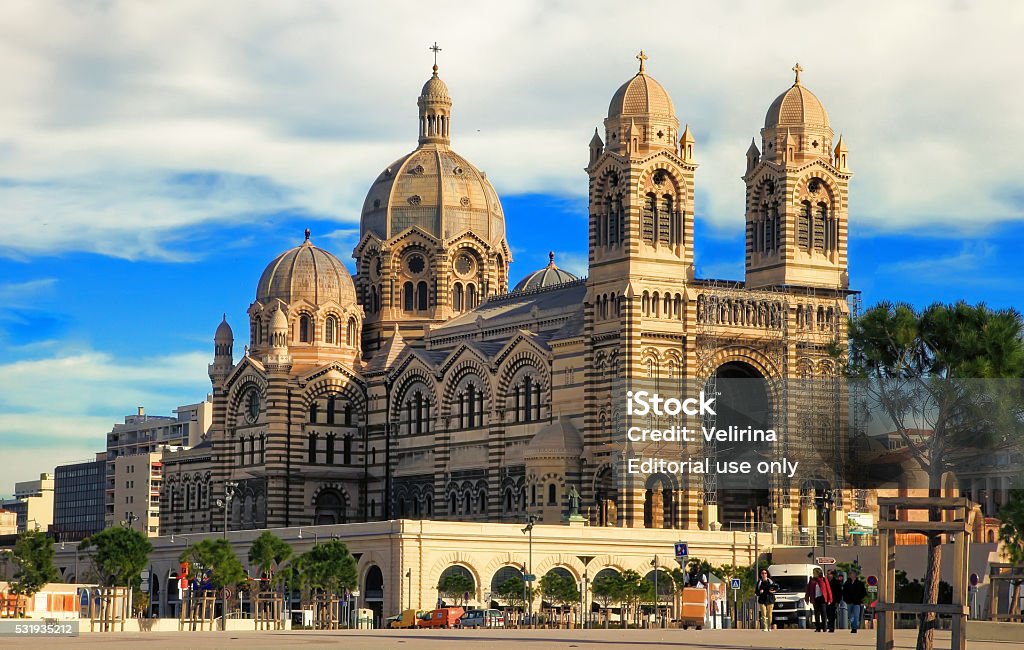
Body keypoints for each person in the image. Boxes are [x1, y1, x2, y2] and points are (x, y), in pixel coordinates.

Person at [805, 567, 832, 632]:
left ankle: (824, 628)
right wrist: (807, 598)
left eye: (814, 572)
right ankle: (818, 628)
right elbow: (808, 590)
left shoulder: (823, 579)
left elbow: (828, 590)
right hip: (815, 598)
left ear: (818, 573)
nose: (813, 574)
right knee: (816, 613)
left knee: (823, 613)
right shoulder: (812, 580)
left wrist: (830, 599)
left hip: (822, 598)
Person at [842, 569, 868, 634]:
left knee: (856, 615)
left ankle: (854, 628)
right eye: (850, 574)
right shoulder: (847, 583)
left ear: (855, 575)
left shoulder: (859, 583)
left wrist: (860, 599)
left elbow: (864, 592)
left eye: (852, 573)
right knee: (851, 616)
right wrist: (846, 599)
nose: (850, 575)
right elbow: (844, 592)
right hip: (849, 602)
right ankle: (853, 625)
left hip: (857, 602)